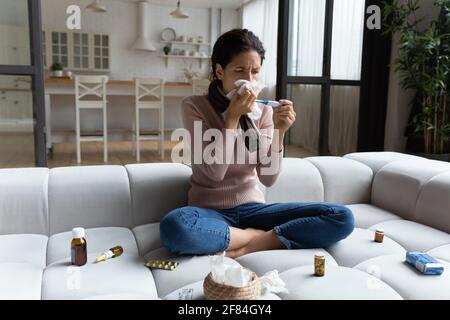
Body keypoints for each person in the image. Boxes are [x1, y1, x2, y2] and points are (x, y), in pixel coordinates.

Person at [160, 29, 354, 259]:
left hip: (254, 209)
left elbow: (268, 178)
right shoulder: (194, 106)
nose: (250, 81)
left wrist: (279, 130)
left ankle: (253, 243)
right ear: (219, 71)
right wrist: (231, 119)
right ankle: (256, 237)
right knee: (176, 227)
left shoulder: (263, 112)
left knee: (341, 216)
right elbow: (213, 174)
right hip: (209, 212)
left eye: (255, 72)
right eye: (240, 70)